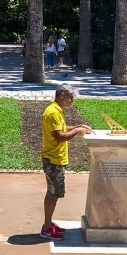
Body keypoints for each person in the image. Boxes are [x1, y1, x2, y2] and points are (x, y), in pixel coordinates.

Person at [39, 83, 92, 239]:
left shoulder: (56, 110)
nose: (71, 101)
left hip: (56, 158)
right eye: (70, 97)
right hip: (53, 159)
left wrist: (77, 125)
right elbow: (59, 137)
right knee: (53, 194)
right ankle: (46, 228)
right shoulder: (53, 112)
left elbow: (61, 128)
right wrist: (77, 131)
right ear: (62, 96)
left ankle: (48, 224)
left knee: (54, 193)